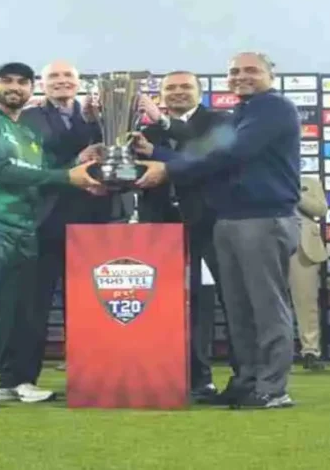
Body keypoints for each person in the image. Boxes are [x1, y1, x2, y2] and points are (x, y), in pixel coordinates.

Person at [136, 52, 300, 410]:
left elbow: (231, 154)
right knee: (240, 309)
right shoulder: (244, 111)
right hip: (229, 218)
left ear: (271, 74)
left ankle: (273, 388)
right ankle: (246, 381)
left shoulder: (272, 107)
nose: (241, 76)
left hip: (261, 217)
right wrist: (163, 155)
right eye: (234, 72)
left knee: (266, 307)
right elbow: (209, 154)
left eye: (251, 70)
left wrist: (167, 167)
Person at [0, 62, 101, 409]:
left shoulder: (30, 135)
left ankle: (9, 382)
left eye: (22, 82)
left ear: (32, 89)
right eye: (7, 81)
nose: (14, 87)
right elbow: (4, 169)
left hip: (22, 228)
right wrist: (68, 177)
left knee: (16, 312)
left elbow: (40, 175)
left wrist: (78, 164)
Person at [132, 70, 236, 401]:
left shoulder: (219, 122)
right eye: (170, 88)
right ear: (161, 93)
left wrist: (161, 125)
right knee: (160, 304)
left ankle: (222, 378)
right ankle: (167, 377)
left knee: (214, 303)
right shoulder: (143, 132)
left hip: (209, 226)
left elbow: (202, 159)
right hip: (158, 226)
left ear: (200, 91)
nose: (178, 92)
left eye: (185, 87)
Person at [16, 60, 108, 377]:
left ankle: (90, 369)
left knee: (89, 300)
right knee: (35, 303)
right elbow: (31, 165)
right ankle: (24, 377)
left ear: (78, 82)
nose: (61, 81)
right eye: (53, 76)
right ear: (42, 84)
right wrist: (76, 162)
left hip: (94, 221)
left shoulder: (95, 115)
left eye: (67, 76)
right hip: (46, 220)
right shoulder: (28, 118)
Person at [289, 175, 329, 371]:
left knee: (306, 302)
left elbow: (320, 210)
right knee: (265, 301)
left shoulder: (308, 182)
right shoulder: (255, 178)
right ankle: (269, 352)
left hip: (303, 247)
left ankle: (310, 351)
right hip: (266, 241)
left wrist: (290, 189)